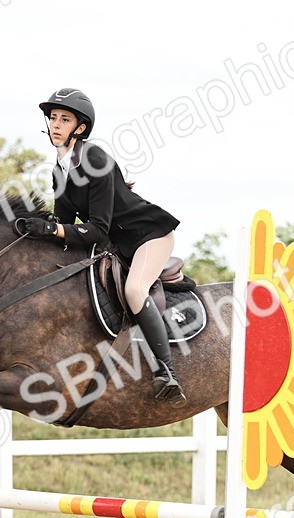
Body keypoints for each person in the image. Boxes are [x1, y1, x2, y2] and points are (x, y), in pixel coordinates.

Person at [18, 87, 186, 407]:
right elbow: (66, 225)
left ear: (79, 128)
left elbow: (95, 229)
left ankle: (167, 372)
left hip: (149, 235)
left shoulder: (94, 157)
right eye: (52, 118)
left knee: (136, 290)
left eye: (64, 119)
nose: (55, 124)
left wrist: (54, 228)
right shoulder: (59, 171)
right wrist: (39, 231)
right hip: (117, 244)